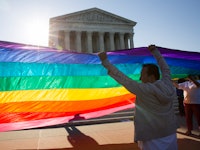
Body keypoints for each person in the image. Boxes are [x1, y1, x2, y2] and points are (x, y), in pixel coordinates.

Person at [98, 45, 178, 150]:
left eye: (143, 74)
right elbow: (165, 68)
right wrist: (155, 52)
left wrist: (106, 62)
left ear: (151, 76)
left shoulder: (145, 90)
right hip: (170, 133)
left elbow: (124, 79)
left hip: (151, 137)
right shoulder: (168, 84)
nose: (140, 78)